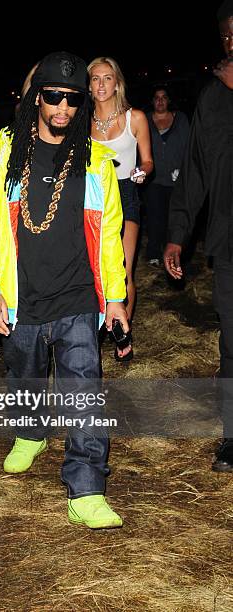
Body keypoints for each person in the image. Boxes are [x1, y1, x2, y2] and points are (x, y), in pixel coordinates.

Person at [0, 51, 128, 528]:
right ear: (38, 97)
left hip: (79, 296)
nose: (62, 108)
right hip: (22, 296)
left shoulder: (96, 162)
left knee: (85, 394)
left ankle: (86, 488)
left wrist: (115, 297)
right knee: (26, 373)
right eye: (54, 97)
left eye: (72, 100)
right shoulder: (3, 153)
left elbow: (111, 235)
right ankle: (30, 431)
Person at [164, 0, 233, 472]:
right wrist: (177, 235)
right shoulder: (212, 96)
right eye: (226, 36)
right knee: (231, 342)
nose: (231, 44)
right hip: (228, 243)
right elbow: (195, 171)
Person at [88, 57, 153, 362]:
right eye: (95, 79)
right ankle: (91, 330)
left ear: (117, 83)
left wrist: (143, 171)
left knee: (123, 269)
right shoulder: (82, 121)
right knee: (94, 270)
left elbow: (148, 160)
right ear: (89, 85)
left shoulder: (135, 118)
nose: (101, 85)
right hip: (95, 197)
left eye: (107, 78)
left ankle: (122, 333)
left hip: (126, 192)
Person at [144, 86, 189, 266]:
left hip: (176, 179)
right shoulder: (145, 120)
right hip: (153, 178)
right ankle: (154, 253)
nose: (160, 101)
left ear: (169, 100)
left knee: (175, 217)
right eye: (156, 98)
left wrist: (184, 170)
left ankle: (174, 254)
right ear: (152, 101)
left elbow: (188, 146)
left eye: (164, 97)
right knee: (155, 216)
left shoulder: (181, 119)